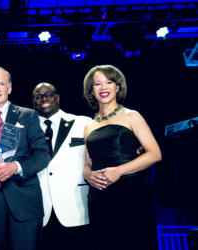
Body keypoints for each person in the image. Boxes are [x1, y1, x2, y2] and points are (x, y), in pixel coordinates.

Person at [0, 66, 51, 250]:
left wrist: (16, 167)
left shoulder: (28, 115)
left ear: (10, 88)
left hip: (24, 199)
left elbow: (42, 154)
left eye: (1, 83)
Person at [83, 65, 161, 250]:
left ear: (118, 87)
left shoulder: (131, 116)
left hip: (131, 192)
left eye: (109, 82)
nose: (103, 87)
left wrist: (118, 171)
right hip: (100, 196)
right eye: (98, 84)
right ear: (91, 90)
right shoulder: (88, 126)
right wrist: (87, 175)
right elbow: (88, 163)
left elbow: (155, 154)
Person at [33, 83, 92, 250]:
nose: (44, 99)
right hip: (39, 212)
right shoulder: (26, 130)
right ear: (33, 102)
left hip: (76, 209)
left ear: (57, 97)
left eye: (49, 94)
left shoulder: (83, 123)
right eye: (38, 97)